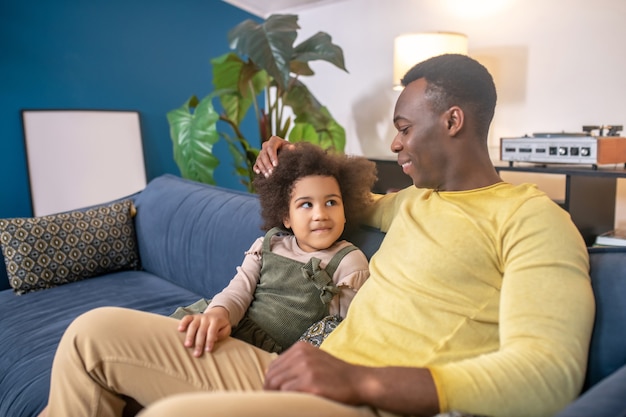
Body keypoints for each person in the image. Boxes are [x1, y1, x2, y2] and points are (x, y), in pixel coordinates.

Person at [40, 54, 594, 417]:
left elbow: (547, 375)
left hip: (367, 402)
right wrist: (290, 158)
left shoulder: (533, 219)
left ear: (452, 121)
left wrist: (365, 384)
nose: (395, 145)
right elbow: (344, 197)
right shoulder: (413, 203)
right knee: (93, 335)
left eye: (404, 128)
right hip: (304, 372)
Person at [173, 141, 376, 355]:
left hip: (262, 356)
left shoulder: (348, 261)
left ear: (346, 209)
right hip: (226, 323)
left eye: (331, 202)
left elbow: (345, 333)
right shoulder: (268, 244)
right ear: (286, 216)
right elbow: (238, 290)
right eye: (306, 204)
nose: (321, 215)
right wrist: (218, 313)